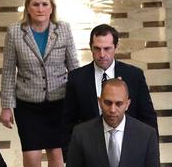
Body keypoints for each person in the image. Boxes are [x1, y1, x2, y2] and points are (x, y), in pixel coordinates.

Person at [0, 0, 79, 167]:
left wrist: (82, 99)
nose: (41, 8)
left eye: (45, 4)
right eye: (36, 4)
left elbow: (74, 65)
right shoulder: (15, 32)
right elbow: (7, 71)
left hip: (59, 102)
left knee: (57, 155)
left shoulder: (63, 29)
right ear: (28, 7)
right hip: (28, 102)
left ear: (51, 7)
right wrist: (6, 105)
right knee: (32, 154)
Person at [63, 23, 158, 152]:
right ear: (90, 47)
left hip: (128, 147)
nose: (102, 54)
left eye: (107, 48)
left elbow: (147, 117)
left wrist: (151, 152)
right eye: (97, 49)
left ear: (116, 47)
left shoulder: (134, 76)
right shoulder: (77, 79)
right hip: (90, 149)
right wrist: (71, 155)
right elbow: (68, 121)